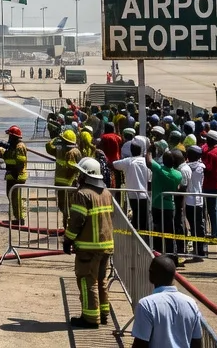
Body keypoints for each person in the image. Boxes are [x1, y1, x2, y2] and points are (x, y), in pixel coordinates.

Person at [65, 157, 115, 329]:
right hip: (106, 246)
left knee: (87, 281)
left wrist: (68, 239)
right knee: (101, 281)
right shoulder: (107, 193)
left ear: (86, 175)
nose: (78, 177)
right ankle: (103, 314)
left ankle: (90, 318)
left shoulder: (83, 194)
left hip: (88, 248)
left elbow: (76, 221)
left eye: (80, 173)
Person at [132, 254, 207, 348]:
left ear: (151, 276)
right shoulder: (191, 303)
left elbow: (140, 344)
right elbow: (196, 343)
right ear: (173, 276)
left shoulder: (146, 305)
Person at [152, 150, 186, 257]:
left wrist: (148, 149)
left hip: (157, 205)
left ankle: (158, 256)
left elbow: (149, 161)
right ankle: (171, 256)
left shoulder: (159, 170)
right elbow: (179, 188)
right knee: (169, 234)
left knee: (157, 233)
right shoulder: (178, 174)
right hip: (170, 207)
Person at [114, 141, 152, 233]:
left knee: (136, 217)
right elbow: (150, 179)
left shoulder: (128, 161)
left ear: (131, 150)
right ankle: (143, 239)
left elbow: (114, 164)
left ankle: (137, 238)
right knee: (143, 218)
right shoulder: (146, 162)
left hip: (132, 195)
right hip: (144, 194)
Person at [0, 125, 29, 223]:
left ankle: (20, 218)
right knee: (10, 196)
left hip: (17, 175)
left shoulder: (20, 146)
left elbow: (19, 161)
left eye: (10, 136)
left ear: (14, 137)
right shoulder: (13, 146)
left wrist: (14, 173)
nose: (8, 138)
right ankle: (17, 217)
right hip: (12, 175)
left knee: (16, 198)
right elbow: (8, 157)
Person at [184, 146, 208, 262]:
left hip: (188, 201)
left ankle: (197, 251)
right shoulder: (201, 167)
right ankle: (201, 250)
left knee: (193, 227)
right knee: (200, 226)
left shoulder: (185, 168)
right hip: (199, 200)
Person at [202, 132, 217, 240]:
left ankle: (215, 234)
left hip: (211, 185)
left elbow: (208, 169)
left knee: (213, 210)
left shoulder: (210, 154)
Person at [54, 129, 82, 221]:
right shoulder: (69, 150)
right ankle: (68, 224)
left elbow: (71, 168)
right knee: (64, 206)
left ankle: (68, 225)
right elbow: (49, 148)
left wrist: (56, 138)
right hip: (64, 184)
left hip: (67, 184)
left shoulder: (71, 152)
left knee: (66, 206)